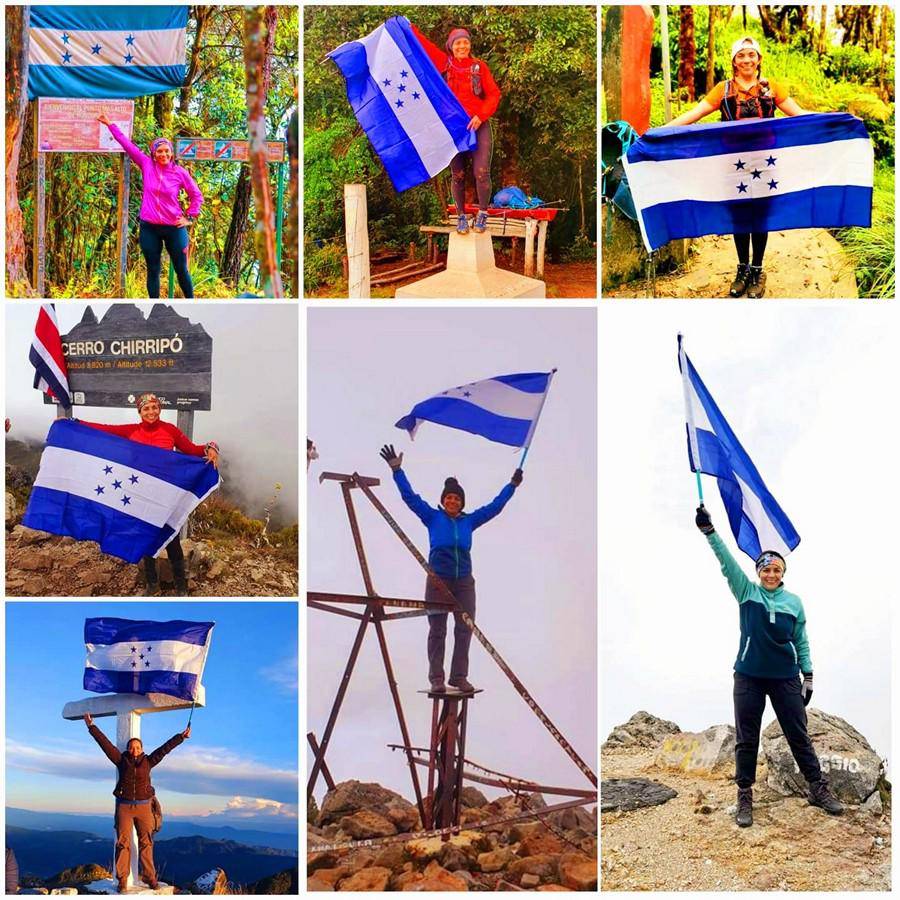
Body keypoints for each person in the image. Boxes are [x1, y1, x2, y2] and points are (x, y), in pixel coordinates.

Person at [695, 504, 843, 826]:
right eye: (766, 569)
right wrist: (710, 532)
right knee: (747, 739)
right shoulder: (746, 591)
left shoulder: (794, 603)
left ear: (783, 573)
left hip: (785, 679)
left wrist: (809, 674)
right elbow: (726, 563)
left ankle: (817, 788)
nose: (771, 574)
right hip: (748, 677)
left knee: (798, 735)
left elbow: (801, 640)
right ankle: (745, 795)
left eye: (776, 570)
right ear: (759, 572)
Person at [668, 36, 807, 299]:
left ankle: (757, 270)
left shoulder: (771, 88)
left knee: (760, 216)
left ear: (759, 59)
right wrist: (661, 131)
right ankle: (742, 269)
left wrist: (839, 120)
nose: (746, 60)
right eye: (741, 55)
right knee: (740, 216)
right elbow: (695, 114)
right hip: (733, 164)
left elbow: (801, 115)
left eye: (751, 55)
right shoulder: (723, 90)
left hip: (765, 163)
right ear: (734, 61)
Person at [380, 444, 521, 692]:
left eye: (456, 498)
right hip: (438, 581)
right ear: (443, 501)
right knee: (437, 631)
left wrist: (512, 486)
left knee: (464, 629)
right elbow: (410, 498)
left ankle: (458, 676)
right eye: (448, 497)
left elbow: (495, 507)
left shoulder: (470, 520)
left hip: (464, 582)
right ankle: (437, 679)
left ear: (461, 502)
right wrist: (397, 471)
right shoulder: (432, 517)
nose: (452, 500)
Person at [74, 392, 219, 596]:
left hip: (165, 496)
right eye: (146, 409)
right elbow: (103, 430)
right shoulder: (131, 431)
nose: (151, 412)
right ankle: (152, 585)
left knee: (172, 539)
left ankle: (181, 587)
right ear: (140, 412)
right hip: (140, 495)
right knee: (145, 538)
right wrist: (74, 422)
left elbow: (192, 450)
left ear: (159, 409)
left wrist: (211, 447)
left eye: (154, 407)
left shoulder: (170, 430)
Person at [97, 113, 203, 299]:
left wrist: (189, 217)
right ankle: (155, 310)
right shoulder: (146, 164)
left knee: (181, 269)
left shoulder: (180, 173)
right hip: (149, 228)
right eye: (159, 151)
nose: (163, 154)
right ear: (153, 153)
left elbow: (196, 195)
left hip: (174, 227)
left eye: (166, 151)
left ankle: (191, 306)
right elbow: (127, 145)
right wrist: (110, 124)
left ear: (171, 153)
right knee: (153, 270)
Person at [411, 23, 501, 235]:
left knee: (481, 172)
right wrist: (410, 27)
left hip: (478, 125)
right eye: (458, 43)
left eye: (465, 42)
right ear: (451, 46)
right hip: (453, 129)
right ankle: (461, 216)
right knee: (458, 174)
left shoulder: (479, 67)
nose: (462, 46)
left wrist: (481, 116)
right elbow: (425, 47)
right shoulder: (445, 64)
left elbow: (494, 94)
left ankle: (482, 214)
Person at [83, 712, 189, 892]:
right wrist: (91, 726)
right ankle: (122, 880)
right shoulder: (121, 760)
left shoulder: (148, 761)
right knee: (123, 843)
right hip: (124, 807)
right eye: (132, 747)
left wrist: (181, 737)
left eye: (138, 747)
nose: (134, 750)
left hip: (144, 808)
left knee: (146, 843)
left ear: (142, 749)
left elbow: (165, 749)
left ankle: (150, 878)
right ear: (127, 749)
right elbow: (105, 744)